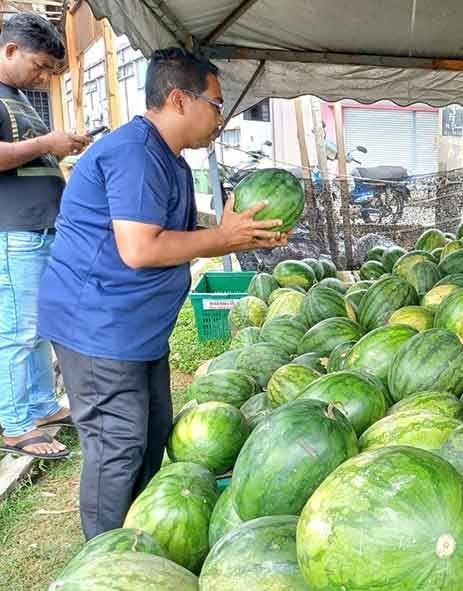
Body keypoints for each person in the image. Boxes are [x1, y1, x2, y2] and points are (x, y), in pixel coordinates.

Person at [38, 48, 287, 540]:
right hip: (98, 330)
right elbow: (139, 248)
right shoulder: (134, 153)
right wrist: (223, 239)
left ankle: (140, 539)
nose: (221, 117)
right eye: (216, 104)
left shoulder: (168, 158)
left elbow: (174, 228)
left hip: (135, 332)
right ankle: (105, 562)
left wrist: (241, 230)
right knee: (118, 446)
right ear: (179, 99)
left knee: (149, 439)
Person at [0, 13, 91, 460]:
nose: (43, 77)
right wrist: (46, 144)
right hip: (13, 232)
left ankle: (39, 407)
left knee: (37, 329)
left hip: (39, 228)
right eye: (39, 67)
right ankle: (16, 425)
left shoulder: (17, 96)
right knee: (17, 331)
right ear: (10, 50)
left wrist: (64, 144)